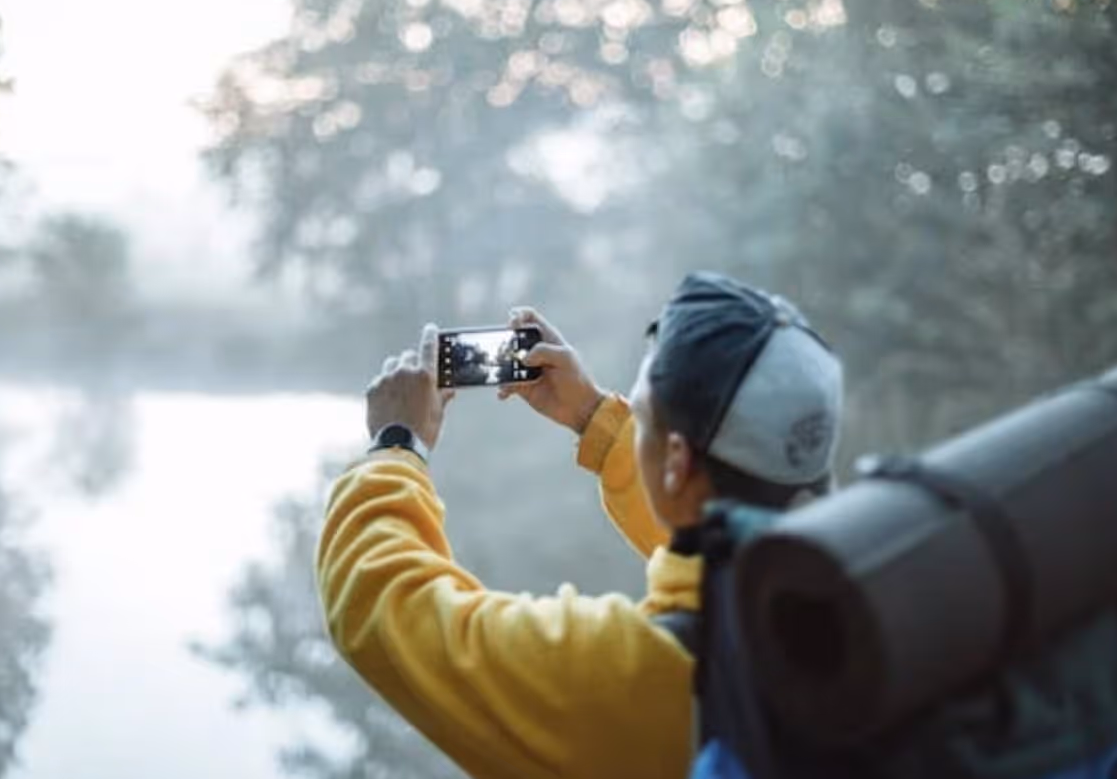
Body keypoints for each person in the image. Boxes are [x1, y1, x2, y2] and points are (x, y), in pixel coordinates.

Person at [316, 271, 845, 779]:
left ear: (678, 461)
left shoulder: (632, 678)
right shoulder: (858, 582)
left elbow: (384, 609)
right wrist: (594, 416)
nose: (636, 428)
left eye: (642, 416)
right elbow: (708, 534)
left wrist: (396, 443)